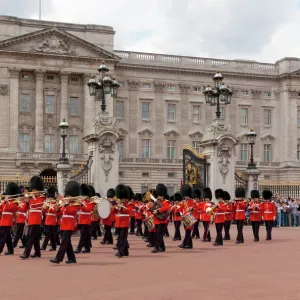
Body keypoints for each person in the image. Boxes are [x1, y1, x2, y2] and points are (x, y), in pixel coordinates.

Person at [49, 181, 81, 264]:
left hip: (70, 224)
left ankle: (58, 258)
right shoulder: (66, 203)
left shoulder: (76, 203)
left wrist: (66, 204)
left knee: (63, 242)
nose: (67, 197)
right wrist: (57, 209)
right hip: (64, 224)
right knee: (67, 242)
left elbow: (72, 211)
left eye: (69, 196)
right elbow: (61, 213)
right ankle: (72, 258)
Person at [20, 176, 46, 259]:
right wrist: (26, 201)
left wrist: (32, 198)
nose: (33, 191)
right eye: (33, 189)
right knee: (34, 237)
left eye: (35, 190)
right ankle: (37, 253)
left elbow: (37, 205)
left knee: (30, 236)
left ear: (38, 190)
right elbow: (24, 209)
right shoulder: (31, 199)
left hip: (36, 219)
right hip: (31, 219)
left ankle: (26, 253)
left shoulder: (42, 198)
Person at [75, 184, 95, 254]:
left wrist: (82, 204)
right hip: (81, 219)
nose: (83, 197)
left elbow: (88, 209)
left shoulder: (91, 202)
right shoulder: (82, 201)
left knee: (83, 235)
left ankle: (79, 248)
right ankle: (87, 248)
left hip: (86, 220)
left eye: (84, 195)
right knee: (85, 235)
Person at [0, 182, 20, 255]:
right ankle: (11, 250)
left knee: (2, 236)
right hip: (3, 220)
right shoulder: (5, 202)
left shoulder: (14, 202)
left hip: (8, 220)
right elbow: (1, 209)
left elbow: (12, 209)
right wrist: (4, 202)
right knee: (7, 236)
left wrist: (6, 202)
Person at [151, 183, 170, 253]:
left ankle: (156, 247)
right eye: (159, 195)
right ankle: (162, 247)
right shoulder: (156, 202)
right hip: (156, 220)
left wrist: (158, 210)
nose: (160, 196)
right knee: (158, 234)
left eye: (161, 195)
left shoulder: (166, 201)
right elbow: (152, 209)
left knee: (158, 234)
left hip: (162, 220)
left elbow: (166, 208)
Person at [114, 184, 131, 257]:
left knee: (122, 238)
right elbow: (115, 212)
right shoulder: (118, 203)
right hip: (118, 223)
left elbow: (129, 211)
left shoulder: (129, 204)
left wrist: (121, 208)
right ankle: (125, 251)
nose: (121, 200)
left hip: (125, 223)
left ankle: (120, 252)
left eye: (122, 198)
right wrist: (113, 207)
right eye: (120, 198)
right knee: (122, 237)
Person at [41, 186, 58, 251]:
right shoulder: (47, 202)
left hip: (52, 219)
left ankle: (43, 246)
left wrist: (50, 206)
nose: (49, 198)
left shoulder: (56, 203)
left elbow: (56, 211)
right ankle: (54, 246)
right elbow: (44, 212)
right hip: (47, 219)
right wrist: (44, 208)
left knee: (48, 233)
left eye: (50, 197)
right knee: (50, 234)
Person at [179, 184, 195, 249]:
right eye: (185, 196)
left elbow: (196, 208)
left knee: (188, 232)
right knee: (187, 232)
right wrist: (181, 215)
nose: (185, 197)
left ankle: (184, 244)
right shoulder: (183, 202)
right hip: (184, 218)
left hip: (190, 218)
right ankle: (189, 245)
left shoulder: (192, 201)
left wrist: (192, 208)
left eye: (186, 196)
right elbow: (179, 209)